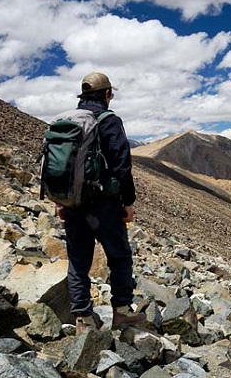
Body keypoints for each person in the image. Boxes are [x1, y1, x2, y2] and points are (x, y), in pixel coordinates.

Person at [57, 72, 144, 334]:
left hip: (71, 203)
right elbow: (121, 165)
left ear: (82, 97)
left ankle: (82, 319)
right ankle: (121, 313)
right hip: (103, 204)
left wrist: (61, 200)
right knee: (119, 256)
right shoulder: (109, 121)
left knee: (78, 259)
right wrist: (127, 202)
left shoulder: (66, 122)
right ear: (107, 94)